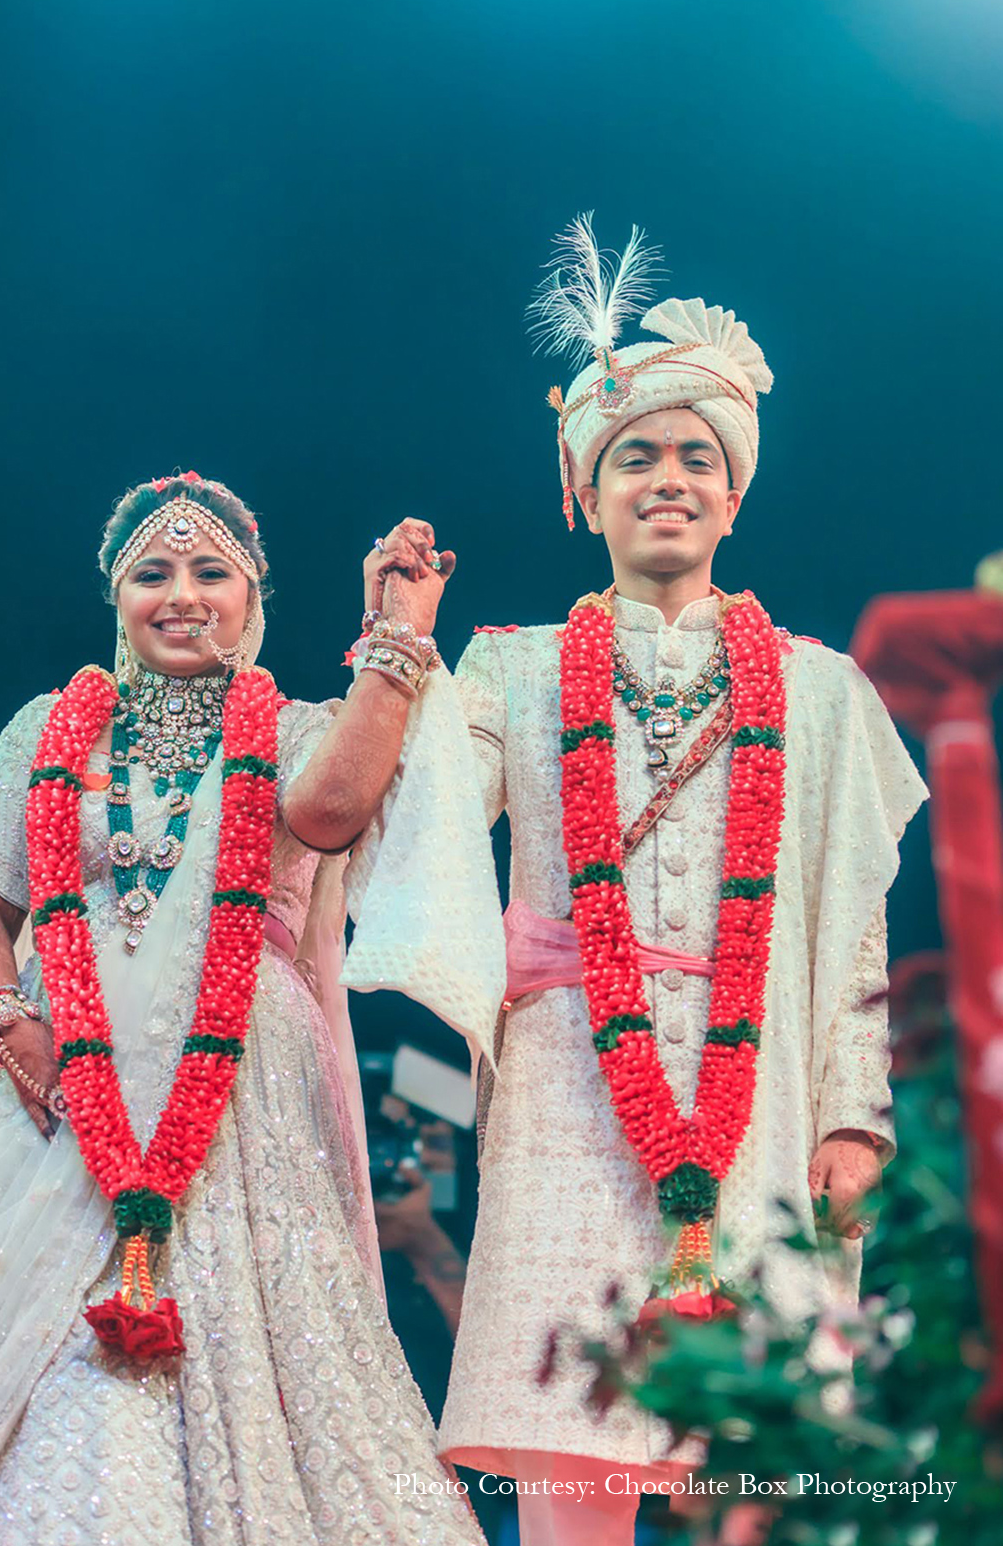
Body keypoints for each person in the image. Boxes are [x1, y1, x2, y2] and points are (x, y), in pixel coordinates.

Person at [0, 471, 502, 1545]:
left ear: (254, 601)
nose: (181, 595)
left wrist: (396, 632)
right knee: (33, 1345)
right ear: (115, 598)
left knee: (273, 1340)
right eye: (151, 573)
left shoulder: (298, 729)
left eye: (211, 572)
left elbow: (330, 811)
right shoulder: (42, 730)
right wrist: (9, 1015)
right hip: (62, 1080)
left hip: (247, 1092)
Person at [419, 218, 926, 1545]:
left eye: (696, 455)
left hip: (759, 1115)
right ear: (582, 488)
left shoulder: (821, 690)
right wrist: (396, 661)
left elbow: (854, 936)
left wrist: (858, 1123)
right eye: (634, 454)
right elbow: (401, 822)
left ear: (736, 489)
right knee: (570, 1473)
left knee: (751, 1485)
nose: (668, 478)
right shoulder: (509, 669)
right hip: (566, 1104)